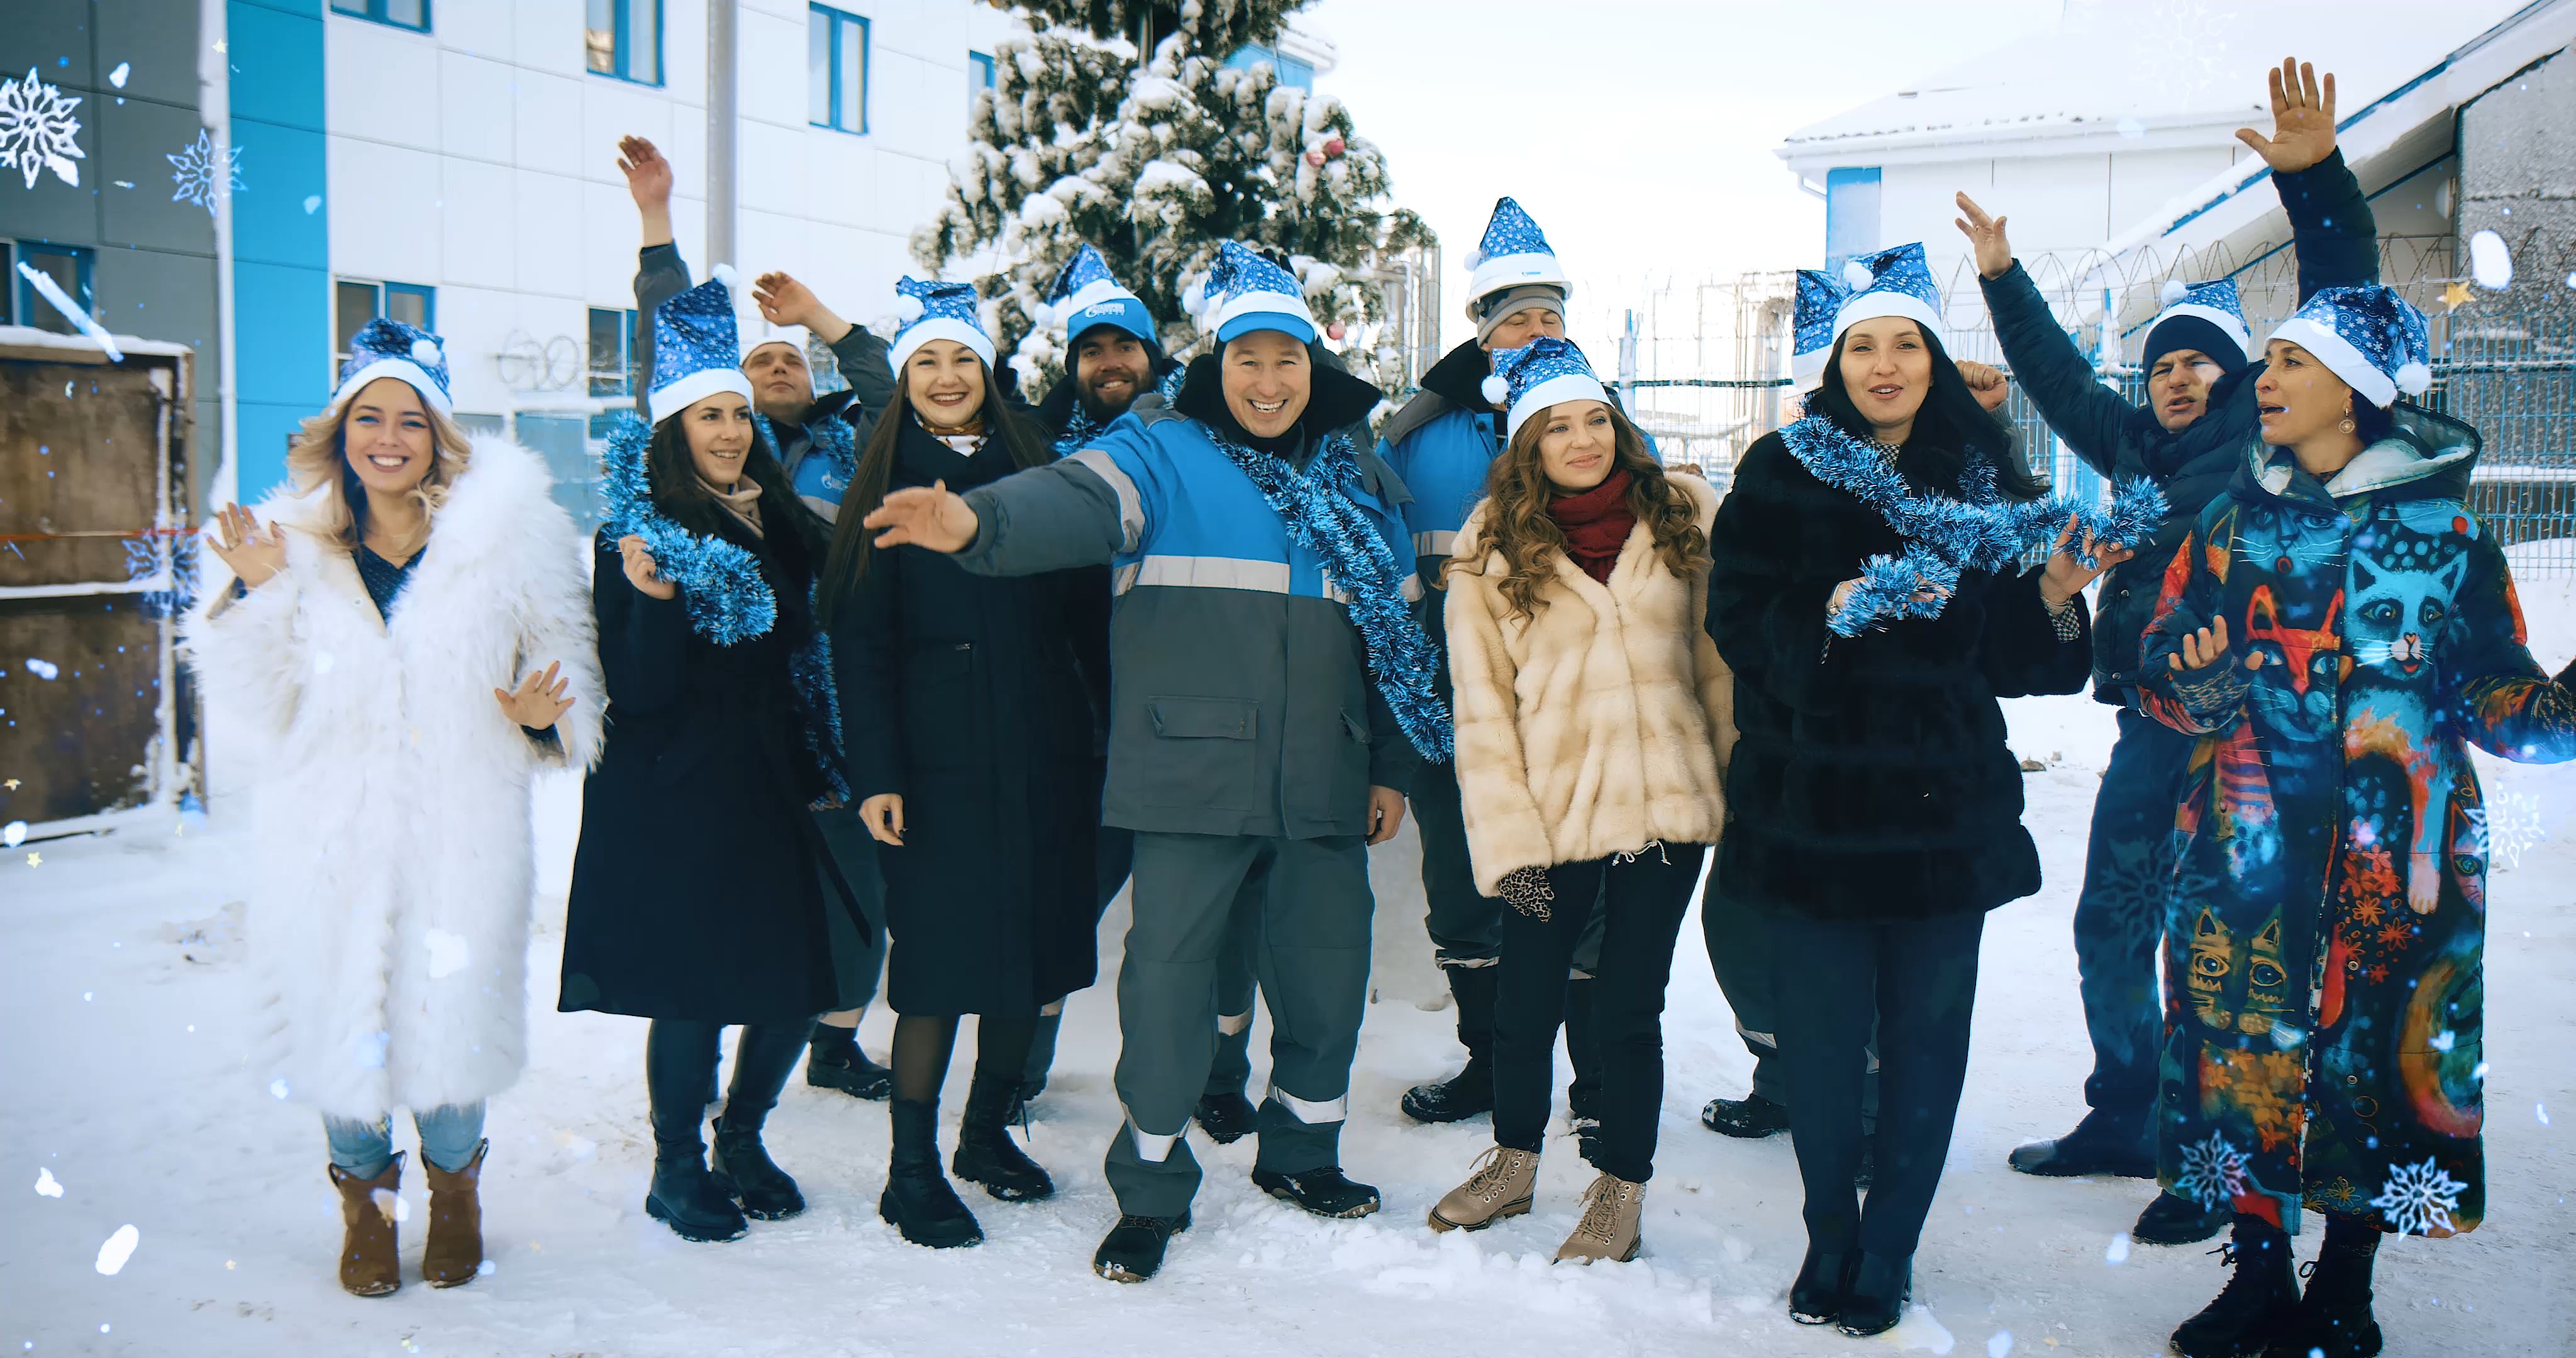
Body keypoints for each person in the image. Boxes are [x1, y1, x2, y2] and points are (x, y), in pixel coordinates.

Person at [860, 240, 1436, 1283]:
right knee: (1166, 992)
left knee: (1324, 978)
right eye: (1248, 360)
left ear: (1315, 366)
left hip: (1326, 777)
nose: (1269, 383)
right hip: (1189, 776)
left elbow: (1396, 633)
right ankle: (1153, 1187)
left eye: (1289, 361)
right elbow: (1070, 500)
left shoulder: (1355, 470)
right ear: (1214, 364)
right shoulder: (1160, 449)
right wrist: (975, 521)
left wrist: (1389, 766)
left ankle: (1303, 1151)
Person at [1951, 56, 2381, 1250]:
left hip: (2256, 744)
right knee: (2110, 922)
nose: (2177, 377)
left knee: (2225, 958)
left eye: (2201, 360)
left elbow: (2349, 311)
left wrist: (2316, 184)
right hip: (2153, 726)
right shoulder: (2141, 452)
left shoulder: (2274, 448)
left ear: (2247, 378)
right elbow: (2058, 380)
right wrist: (2003, 277)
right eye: (2162, 365)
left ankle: (2215, 1159)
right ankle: (2127, 1111)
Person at [2137, 282, 2576, 1358]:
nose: (2262, 380)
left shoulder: (2449, 536)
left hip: (2397, 866)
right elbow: (2159, 663)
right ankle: (2253, 1278)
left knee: (2369, 1063)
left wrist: (2560, 710)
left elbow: (2494, 694)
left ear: (2357, 392)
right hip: (2246, 852)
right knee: (2237, 1054)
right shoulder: (2233, 524)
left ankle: (2345, 1284)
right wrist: (2186, 681)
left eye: (2290, 362)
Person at [1707, 243, 2123, 1337]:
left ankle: (1888, 1246)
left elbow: (2022, 664)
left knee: (1929, 1046)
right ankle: (1827, 1237)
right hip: (1811, 813)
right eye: (1862, 346)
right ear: (1834, 362)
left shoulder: (1980, 477)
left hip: (1942, 816)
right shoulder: (1779, 470)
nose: (1884, 365)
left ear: (1934, 359)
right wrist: (1829, 613)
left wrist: (2054, 593)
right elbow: (1737, 624)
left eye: (1905, 345)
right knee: (1825, 1048)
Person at [185, 320, 601, 1296]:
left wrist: (544, 717)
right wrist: (254, 597)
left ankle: (456, 1195)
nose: (388, 437)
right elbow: (262, 709)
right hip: (326, 830)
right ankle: (364, 1207)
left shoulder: (512, 539)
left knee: (450, 1022)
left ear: (439, 435)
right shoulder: (287, 541)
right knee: (344, 1022)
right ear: (339, 434)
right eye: (367, 417)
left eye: (409, 420)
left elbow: (567, 672)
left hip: (465, 826)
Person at [558, 273, 871, 1245]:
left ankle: (743, 1138)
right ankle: (676, 1167)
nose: (732, 431)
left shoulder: (782, 525)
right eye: (709, 416)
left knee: (796, 977)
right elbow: (641, 695)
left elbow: (811, 641)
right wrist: (650, 604)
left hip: (775, 778)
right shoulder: (635, 536)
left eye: (739, 414)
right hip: (676, 791)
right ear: (673, 432)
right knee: (697, 987)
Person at [1423, 337, 1733, 1264]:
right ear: (1528, 445)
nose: (1584, 438)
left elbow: (1718, 668)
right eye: (1558, 425)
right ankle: (1514, 1163)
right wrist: (1509, 845)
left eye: (1596, 417)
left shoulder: (1683, 515)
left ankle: (1618, 1190)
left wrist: (1737, 784)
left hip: (1665, 812)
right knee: (1525, 1001)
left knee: (1631, 1006)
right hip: (1551, 819)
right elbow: (1481, 708)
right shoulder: (1491, 546)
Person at [816, 277, 1108, 1249]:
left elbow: (1084, 619)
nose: (946, 377)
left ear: (989, 372)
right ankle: (912, 1170)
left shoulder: (1040, 471)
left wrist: (1098, 736)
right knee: (939, 965)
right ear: (905, 379)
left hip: (1043, 749)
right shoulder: (881, 476)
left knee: (1029, 956)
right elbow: (858, 644)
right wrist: (878, 773)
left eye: (962, 359)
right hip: (933, 761)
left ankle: (987, 1135)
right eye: (927, 362)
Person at [616, 134, 901, 1098]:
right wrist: (657, 224)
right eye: (741, 381)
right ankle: (687, 1156)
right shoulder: (664, 512)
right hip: (701, 766)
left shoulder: (827, 463)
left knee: (816, 941)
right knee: (707, 968)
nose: (749, 402)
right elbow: (672, 348)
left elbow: (913, 398)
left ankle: (765, 1109)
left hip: (803, 745)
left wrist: (820, 317)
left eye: (785, 364)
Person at [1374, 197, 1613, 1142]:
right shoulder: (1414, 437)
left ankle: (1598, 1082)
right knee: (1465, 887)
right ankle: (1488, 1059)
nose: (1533, 330)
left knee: (1583, 889)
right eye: (1514, 315)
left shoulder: (1592, 423)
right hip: (1450, 707)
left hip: (1571, 710)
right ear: (1480, 328)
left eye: (1548, 315)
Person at [1015, 245, 1262, 1145]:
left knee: (1223, 922)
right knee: (1056, 910)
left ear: (1157, 356)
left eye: (1126, 348)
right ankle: (1018, 1072)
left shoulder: (1200, 443)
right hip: (1078, 737)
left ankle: (1220, 1076)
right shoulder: (1040, 450)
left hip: (1190, 731)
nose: (1110, 364)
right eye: (1093, 351)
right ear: (1073, 366)